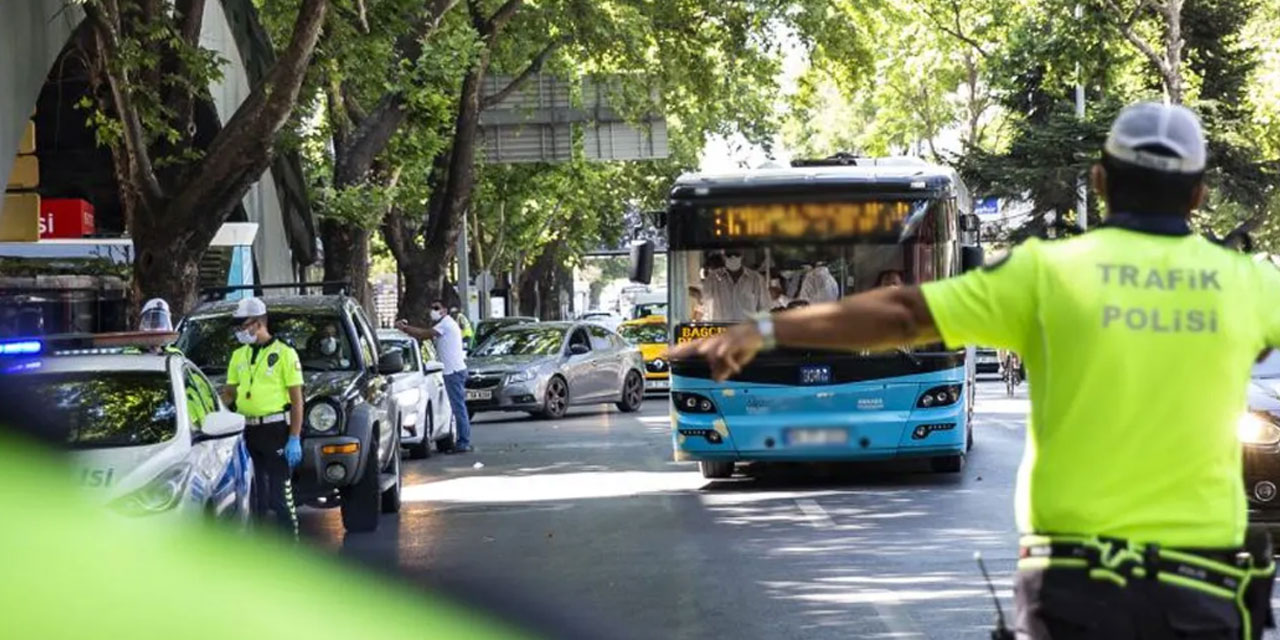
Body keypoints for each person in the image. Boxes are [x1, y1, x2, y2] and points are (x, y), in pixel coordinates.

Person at [670, 102, 1277, 639]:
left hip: (1076, 590)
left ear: (1102, 180)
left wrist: (769, 328)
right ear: (1197, 195)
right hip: (1206, 588)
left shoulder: (1047, 273)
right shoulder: (1251, 285)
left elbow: (904, 312)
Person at [220, 297, 305, 540]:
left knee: (281, 495)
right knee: (254, 495)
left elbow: (297, 399)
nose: (239, 330)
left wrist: (294, 437)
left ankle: (290, 545)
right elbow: (230, 393)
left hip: (275, 429)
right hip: (246, 430)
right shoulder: (238, 355)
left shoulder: (285, 354)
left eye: (243, 324)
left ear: (258, 323)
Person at [397, 299, 472, 453]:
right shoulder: (444, 324)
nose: (433, 311)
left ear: (444, 310)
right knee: (458, 408)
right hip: (453, 371)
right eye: (432, 308)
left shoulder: (446, 324)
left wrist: (405, 328)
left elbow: (425, 334)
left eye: (436, 308)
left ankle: (463, 442)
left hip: (453, 372)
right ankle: (463, 441)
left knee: (458, 408)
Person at [701, 249, 770, 322]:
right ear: (723, 256)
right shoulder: (712, 279)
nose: (733, 257)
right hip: (721, 330)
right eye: (729, 254)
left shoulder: (756, 279)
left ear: (742, 254)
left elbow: (765, 308)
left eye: (736, 254)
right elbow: (706, 308)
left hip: (747, 330)